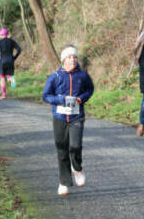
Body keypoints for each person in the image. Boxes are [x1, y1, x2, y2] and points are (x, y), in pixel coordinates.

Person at [42, 45, 94, 195]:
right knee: (62, 150)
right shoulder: (55, 77)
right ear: (63, 60)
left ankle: (77, 168)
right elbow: (46, 96)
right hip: (59, 117)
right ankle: (64, 182)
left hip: (77, 116)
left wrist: (81, 99)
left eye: (75, 57)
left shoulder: (83, 76)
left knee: (75, 145)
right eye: (70, 57)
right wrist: (59, 99)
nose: (73, 60)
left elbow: (90, 90)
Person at [0, 28, 21, 99]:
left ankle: (4, 94)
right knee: (9, 75)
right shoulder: (12, 41)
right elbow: (19, 49)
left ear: (1, 35)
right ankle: (12, 82)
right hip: (11, 61)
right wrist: (14, 57)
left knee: (2, 78)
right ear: (7, 34)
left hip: (2, 61)